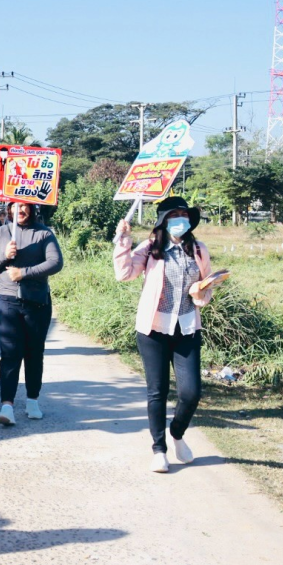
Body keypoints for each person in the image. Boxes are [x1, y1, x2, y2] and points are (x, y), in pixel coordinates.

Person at [113, 196, 214, 473]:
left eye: (184, 214)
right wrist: (123, 240)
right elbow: (124, 274)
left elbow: (207, 287)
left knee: (191, 393)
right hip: (153, 329)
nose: (180, 219)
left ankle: (177, 433)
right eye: (174, 215)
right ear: (163, 221)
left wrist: (200, 293)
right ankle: (159, 450)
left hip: (187, 329)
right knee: (157, 392)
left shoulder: (199, 250)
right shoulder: (150, 249)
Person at [0, 202, 64, 426]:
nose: (21, 210)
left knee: (34, 353)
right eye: (16, 206)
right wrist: (4, 256)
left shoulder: (44, 233)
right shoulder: (0, 233)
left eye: (25, 205)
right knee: (10, 354)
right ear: (9, 208)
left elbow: (56, 262)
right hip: (7, 301)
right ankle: (7, 406)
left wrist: (24, 273)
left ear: (33, 208)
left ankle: (32, 400)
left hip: (37, 302)